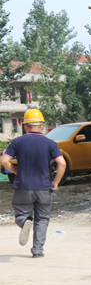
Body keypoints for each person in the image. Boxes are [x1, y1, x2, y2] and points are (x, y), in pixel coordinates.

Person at [0, 109, 66, 258]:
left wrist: (16, 171)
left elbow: (4, 161)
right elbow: (62, 164)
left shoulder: (17, 142)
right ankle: (37, 251)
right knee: (42, 219)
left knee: (22, 213)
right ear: (42, 126)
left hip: (23, 187)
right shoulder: (50, 143)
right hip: (44, 188)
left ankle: (24, 222)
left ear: (25, 126)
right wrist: (56, 182)